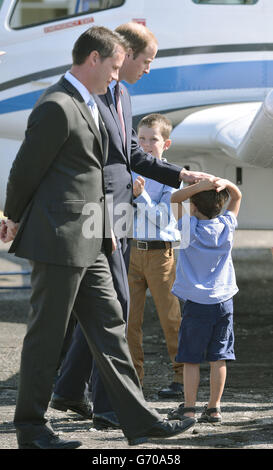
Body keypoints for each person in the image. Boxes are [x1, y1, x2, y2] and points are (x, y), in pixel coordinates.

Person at [0, 26, 196, 449]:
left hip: (92, 239)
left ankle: (139, 422)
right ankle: (31, 428)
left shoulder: (90, 102)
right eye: (112, 66)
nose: (116, 75)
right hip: (58, 240)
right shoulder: (57, 105)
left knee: (111, 328)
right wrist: (12, 217)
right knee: (46, 336)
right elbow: (25, 169)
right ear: (93, 59)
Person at [50, 21, 214, 429]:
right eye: (148, 60)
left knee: (104, 307)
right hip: (100, 216)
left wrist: (180, 176)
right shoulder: (90, 95)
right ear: (126, 54)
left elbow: (131, 157)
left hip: (117, 218)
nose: (149, 68)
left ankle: (71, 388)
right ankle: (106, 405)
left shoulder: (122, 95)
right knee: (116, 309)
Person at [167, 176, 242, 423]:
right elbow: (237, 196)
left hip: (197, 303)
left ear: (194, 206)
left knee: (190, 358)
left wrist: (198, 186)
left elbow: (174, 198)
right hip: (223, 301)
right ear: (220, 205)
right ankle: (214, 408)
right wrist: (225, 184)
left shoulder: (188, 229)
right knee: (218, 357)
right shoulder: (227, 226)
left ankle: (189, 408)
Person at [127, 113, 183, 397]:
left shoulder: (173, 177)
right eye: (141, 138)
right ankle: (133, 378)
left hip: (161, 256)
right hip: (131, 252)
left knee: (170, 319)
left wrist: (140, 196)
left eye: (154, 139)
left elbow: (164, 219)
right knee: (128, 321)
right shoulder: (128, 171)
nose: (146, 145)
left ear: (167, 143)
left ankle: (182, 376)